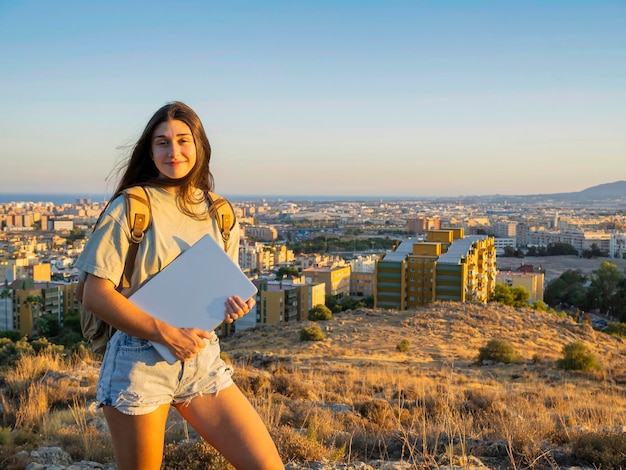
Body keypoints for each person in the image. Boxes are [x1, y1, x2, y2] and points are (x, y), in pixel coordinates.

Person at [76, 101, 284, 470]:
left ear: (200, 146)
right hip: (138, 360)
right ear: (150, 150)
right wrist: (166, 334)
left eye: (183, 140)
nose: (174, 151)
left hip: (202, 357)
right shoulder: (132, 206)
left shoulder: (220, 211)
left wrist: (235, 304)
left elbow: (220, 282)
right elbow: (96, 294)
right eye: (162, 142)